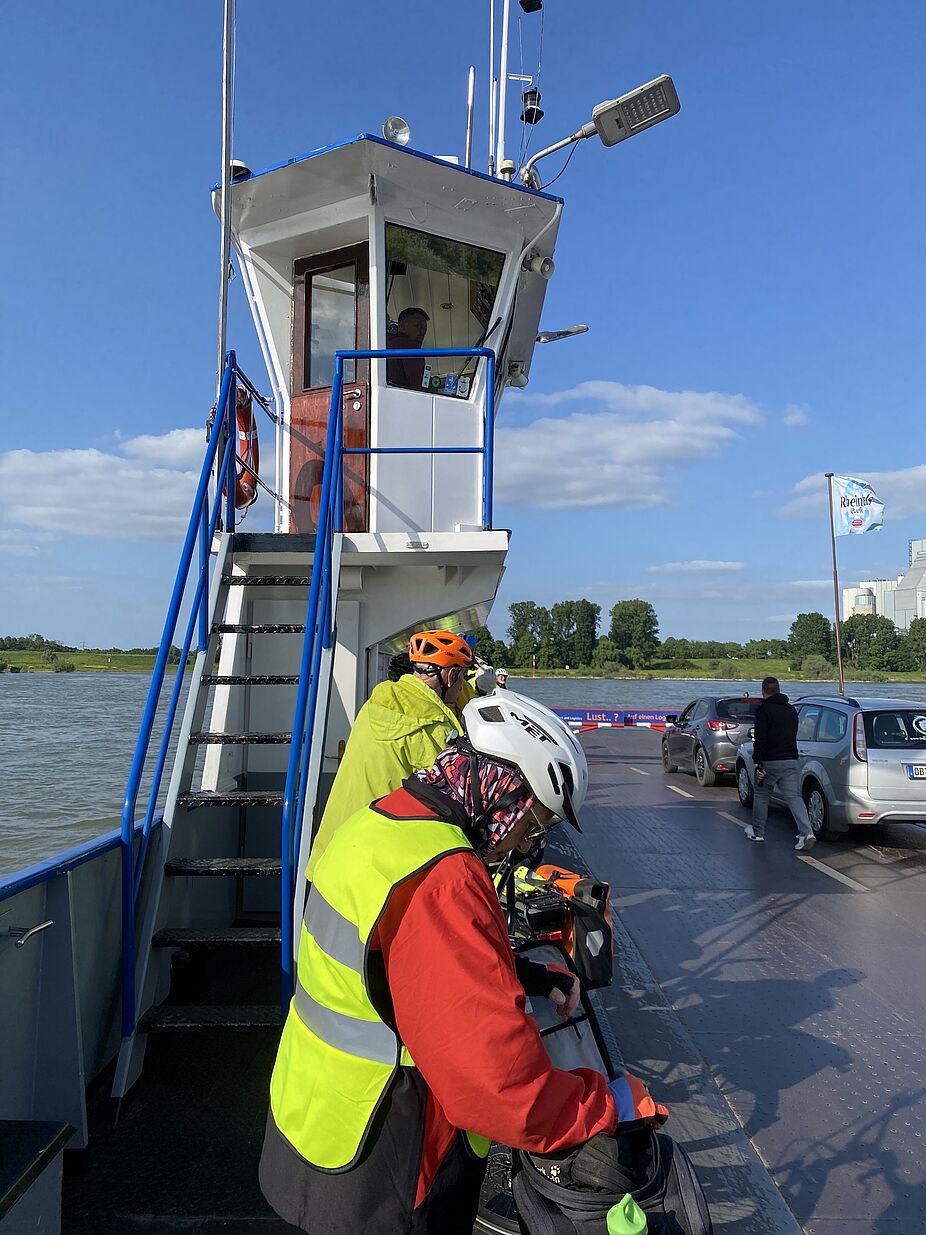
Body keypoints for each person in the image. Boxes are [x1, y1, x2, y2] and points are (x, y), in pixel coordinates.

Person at [260, 693, 638, 1235]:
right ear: (503, 791)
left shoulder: (378, 822)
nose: (525, 844)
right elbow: (495, 1085)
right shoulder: (445, 877)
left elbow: (397, 961)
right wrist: (603, 1106)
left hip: (316, 1109)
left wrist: (525, 973)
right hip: (392, 1152)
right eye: (534, 824)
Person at [305, 630, 473, 879]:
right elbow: (460, 799)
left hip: (331, 856)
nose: (462, 688)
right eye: (462, 679)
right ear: (451, 676)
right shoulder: (433, 727)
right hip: (371, 871)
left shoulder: (376, 704)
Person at [746, 676, 816, 850]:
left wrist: (758, 763)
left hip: (770, 761)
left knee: (762, 795)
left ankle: (758, 832)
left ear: (763, 691)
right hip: (790, 759)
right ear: (778, 689)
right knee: (794, 797)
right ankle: (806, 832)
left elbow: (760, 739)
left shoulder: (763, 711)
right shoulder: (791, 710)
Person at [386, 306, 430, 389]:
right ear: (403, 326)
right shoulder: (410, 347)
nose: (422, 333)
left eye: (425, 330)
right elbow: (417, 382)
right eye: (418, 326)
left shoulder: (386, 343)